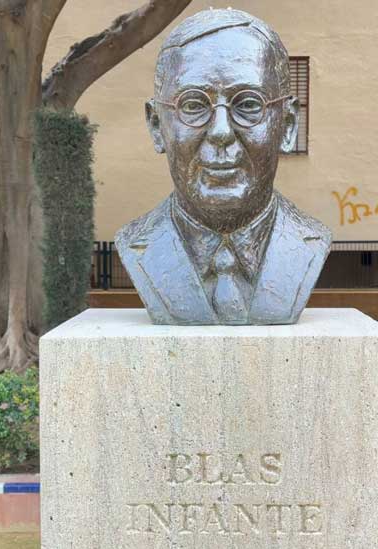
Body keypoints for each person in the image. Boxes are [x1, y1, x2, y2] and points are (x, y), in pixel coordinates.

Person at [114, 9, 331, 325]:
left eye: (247, 105)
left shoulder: (309, 241)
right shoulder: (136, 244)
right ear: (157, 125)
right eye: (193, 105)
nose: (220, 131)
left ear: (287, 125)